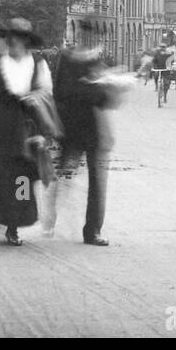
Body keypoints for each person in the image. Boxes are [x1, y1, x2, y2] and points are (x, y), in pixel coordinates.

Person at [0, 18, 54, 246]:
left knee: (22, 178)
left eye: (19, 37)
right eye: (11, 37)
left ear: (26, 41)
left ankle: (14, 224)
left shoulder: (39, 64)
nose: (14, 41)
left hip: (26, 129)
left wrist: (37, 104)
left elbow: (47, 96)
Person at [46, 47, 120, 245]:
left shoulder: (97, 61)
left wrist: (108, 86)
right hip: (70, 128)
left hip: (93, 128)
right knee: (62, 175)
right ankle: (51, 213)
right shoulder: (67, 60)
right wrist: (90, 86)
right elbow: (61, 93)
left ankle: (93, 231)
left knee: (97, 181)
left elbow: (105, 100)